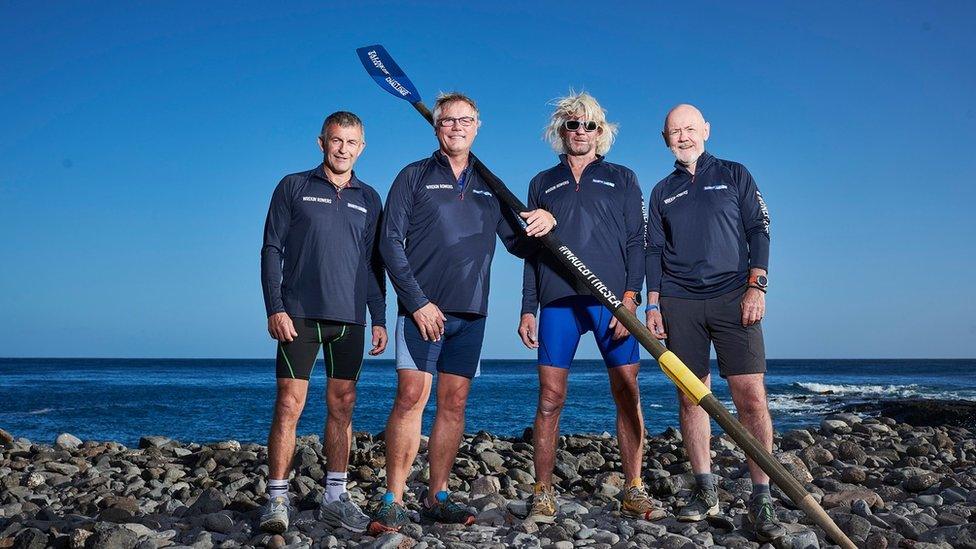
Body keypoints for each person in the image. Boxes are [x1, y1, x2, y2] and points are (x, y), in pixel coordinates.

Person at [369, 92, 556, 534]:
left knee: (453, 404)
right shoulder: (413, 176)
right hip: (422, 311)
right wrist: (416, 302)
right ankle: (392, 498)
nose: (456, 126)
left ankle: (438, 495)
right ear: (436, 127)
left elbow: (521, 245)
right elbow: (389, 244)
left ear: (477, 125)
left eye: (465, 120)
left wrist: (546, 220)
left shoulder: (489, 185)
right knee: (412, 397)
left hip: (472, 312)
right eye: (448, 120)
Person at [517, 91, 664, 523]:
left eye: (590, 125)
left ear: (602, 133)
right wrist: (528, 308)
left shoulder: (622, 177)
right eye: (572, 124)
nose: (581, 132)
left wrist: (631, 299)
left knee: (627, 392)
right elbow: (533, 251)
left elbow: (638, 241)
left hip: (611, 302)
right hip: (558, 301)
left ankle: (634, 488)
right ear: (560, 130)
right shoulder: (542, 182)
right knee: (549, 398)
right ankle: (542, 492)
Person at [644, 104, 785, 541]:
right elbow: (652, 250)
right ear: (665, 138)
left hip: (733, 298)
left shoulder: (735, 174)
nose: (683, 136)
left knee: (752, 399)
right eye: (674, 131)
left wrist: (756, 286)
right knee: (691, 397)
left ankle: (761, 495)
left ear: (705, 130)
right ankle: (705, 490)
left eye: (690, 128)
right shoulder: (661, 191)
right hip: (679, 302)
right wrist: (653, 305)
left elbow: (759, 229)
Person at [259, 111, 387, 534]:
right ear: (322, 142)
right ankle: (277, 498)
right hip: (297, 314)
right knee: (289, 405)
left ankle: (335, 497)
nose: (343, 149)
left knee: (343, 407)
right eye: (336, 141)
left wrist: (380, 317)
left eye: (351, 143)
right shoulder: (293, 186)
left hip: (349, 319)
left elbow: (373, 264)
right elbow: (271, 249)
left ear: (361, 147)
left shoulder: (369, 198)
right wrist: (274, 307)